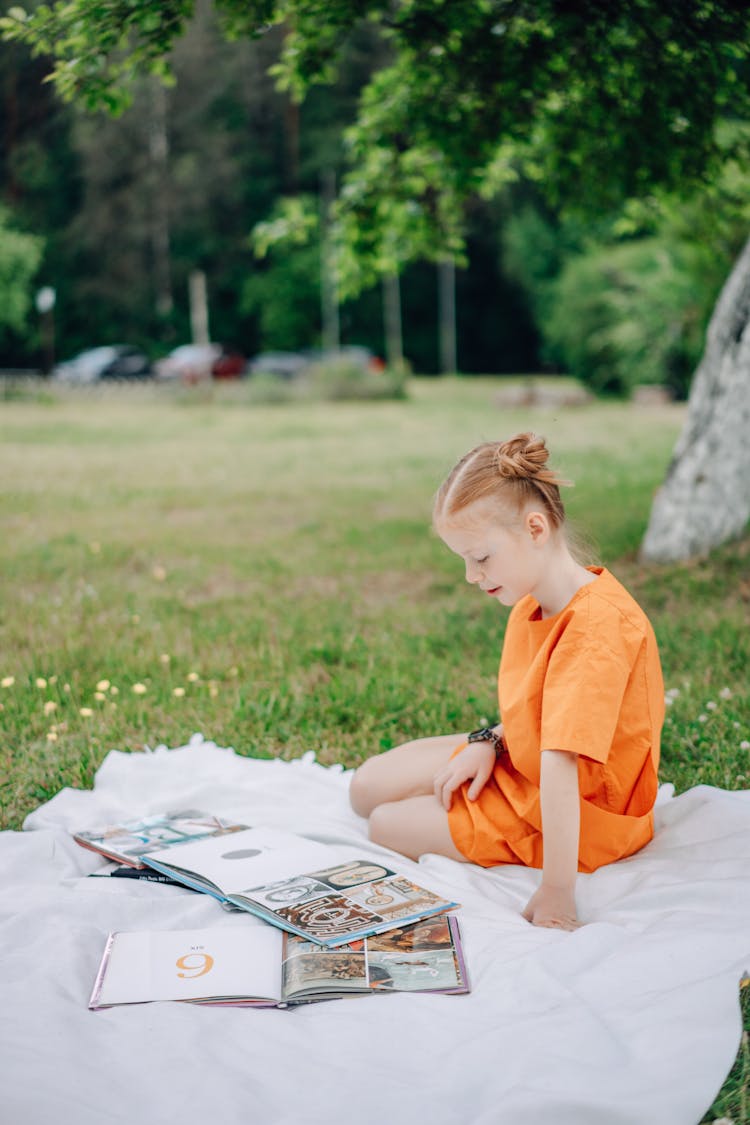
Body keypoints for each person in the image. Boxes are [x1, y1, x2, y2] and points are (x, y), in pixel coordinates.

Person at [349, 432, 664, 931]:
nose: (472, 576)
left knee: (386, 824)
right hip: (524, 759)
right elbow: (541, 709)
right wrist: (489, 742)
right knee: (366, 787)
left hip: (581, 811)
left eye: (481, 558)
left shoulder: (598, 627)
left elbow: (562, 763)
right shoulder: (531, 602)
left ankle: (486, 824)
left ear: (535, 529)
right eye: (464, 561)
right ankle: (469, 799)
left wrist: (557, 892)